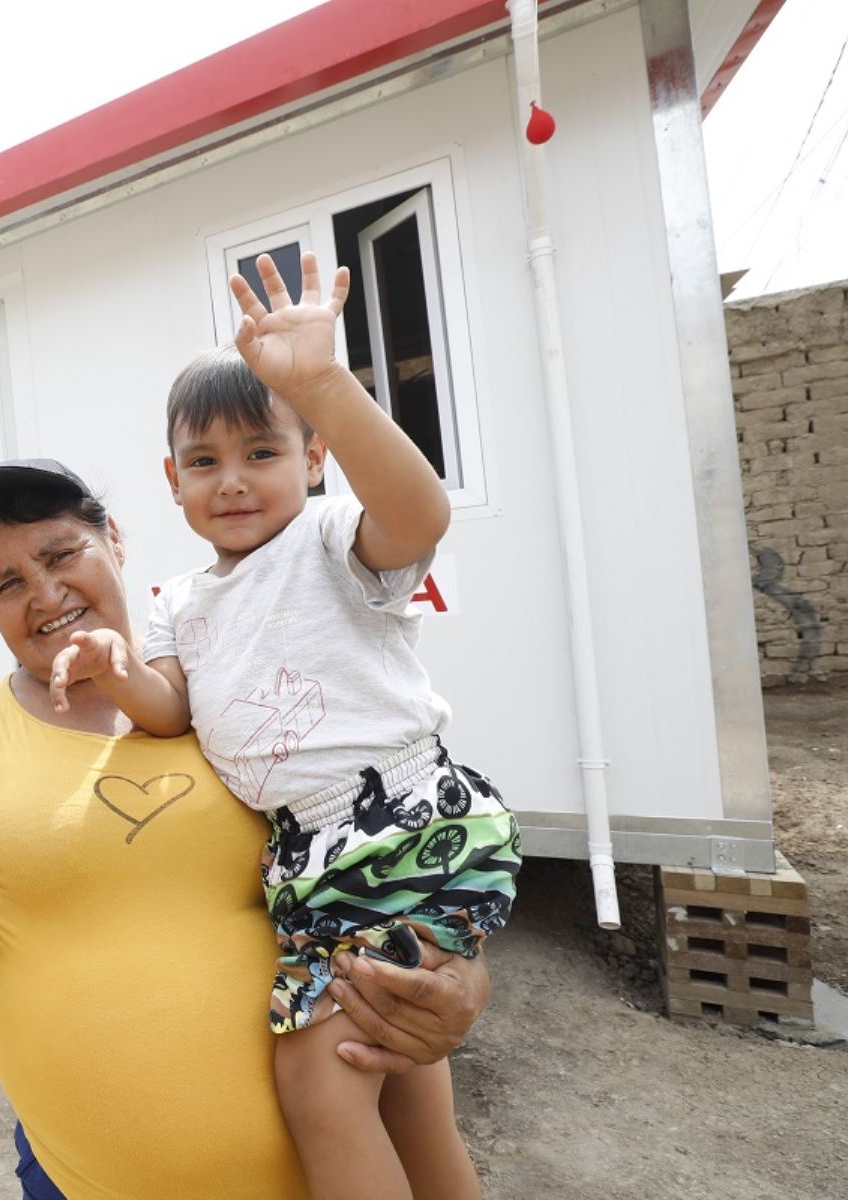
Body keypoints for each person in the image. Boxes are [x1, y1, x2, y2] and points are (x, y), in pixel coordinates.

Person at [0, 461, 494, 1200]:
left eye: (62, 554)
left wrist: (463, 982)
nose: (45, 593)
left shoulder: (240, 680)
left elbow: (397, 848)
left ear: (116, 541)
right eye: (6, 584)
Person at [45, 252, 518, 1200]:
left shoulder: (331, 541)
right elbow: (173, 705)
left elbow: (419, 514)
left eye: (263, 453)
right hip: (308, 862)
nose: (233, 481)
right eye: (205, 462)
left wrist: (326, 385)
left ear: (313, 458)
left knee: (320, 1077)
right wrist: (119, 665)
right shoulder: (180, 599)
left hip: (397, 821)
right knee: (405, 1083)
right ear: (171, 480)